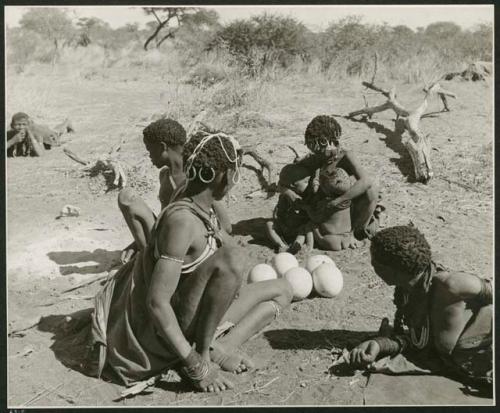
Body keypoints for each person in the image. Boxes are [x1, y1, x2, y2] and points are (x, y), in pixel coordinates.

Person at [89, 131, 294, 393]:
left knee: (283, 290)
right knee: (232, 258)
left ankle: (217, 348)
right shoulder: (183, 221)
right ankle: (200, 357)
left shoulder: (199, 200)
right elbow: (157, 302)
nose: (234, 180)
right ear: (219, 175)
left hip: (196, 306)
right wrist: (196, 367)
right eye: (233, 173)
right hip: (169, 325)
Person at [347, 225, 492, 394]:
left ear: (390, 270)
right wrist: (380, 345)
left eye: (374, 262)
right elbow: (420, 342)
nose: (372, 265)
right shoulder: (409, 293)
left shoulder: (451, 285)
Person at [118, 118, 231, 263]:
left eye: (149, 149)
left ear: (162, 147)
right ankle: (145, 253)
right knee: (128, 197)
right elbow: (164, 216)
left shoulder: (194, 175)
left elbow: (226, 225)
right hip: (166, 233)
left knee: (126, 197)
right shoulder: (165, 175)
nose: (149, 156)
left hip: (187, 240)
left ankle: (148, 261)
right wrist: (136, 242)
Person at [279, 115, 383, 240]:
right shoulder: (317, 157)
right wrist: (288, 192)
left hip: (344, 205)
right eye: (314, 151)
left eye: (319, 150)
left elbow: (366, 181)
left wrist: (340, 200)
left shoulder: (345, 156)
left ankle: (355, 232)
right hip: (321, 205)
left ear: (329, 141)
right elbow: (284, 180)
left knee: (372, 192)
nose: (317, 154)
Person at [303, 166, 360, 250]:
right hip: (347, 238)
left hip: (331, 240)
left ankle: (309, 246)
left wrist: (307, 208)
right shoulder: (348, 202)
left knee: (310, 225)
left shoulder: (327, 203)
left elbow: (316, 218)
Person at [266, 163, 314, 254]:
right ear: (293, 185)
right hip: (286, 226)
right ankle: (281, 245)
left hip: (298, 228)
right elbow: (280, 212)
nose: (309, 185)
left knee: (304, 229)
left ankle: (297, 245)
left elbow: (307, 212)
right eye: (306, 182)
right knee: (269, 224)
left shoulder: (307, 196)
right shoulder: (284, 197)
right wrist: (282, 222)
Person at [6, 112, 74, 157]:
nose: (21, 127)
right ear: (12, 126)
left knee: (56, 132)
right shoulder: (9, 134)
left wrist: (31, 137)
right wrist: (12, 141)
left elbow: (41, 154)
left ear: (28, 125)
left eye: (24, 124)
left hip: (44, 134)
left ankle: (67, 122)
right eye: (18, 125)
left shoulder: (35, 133)